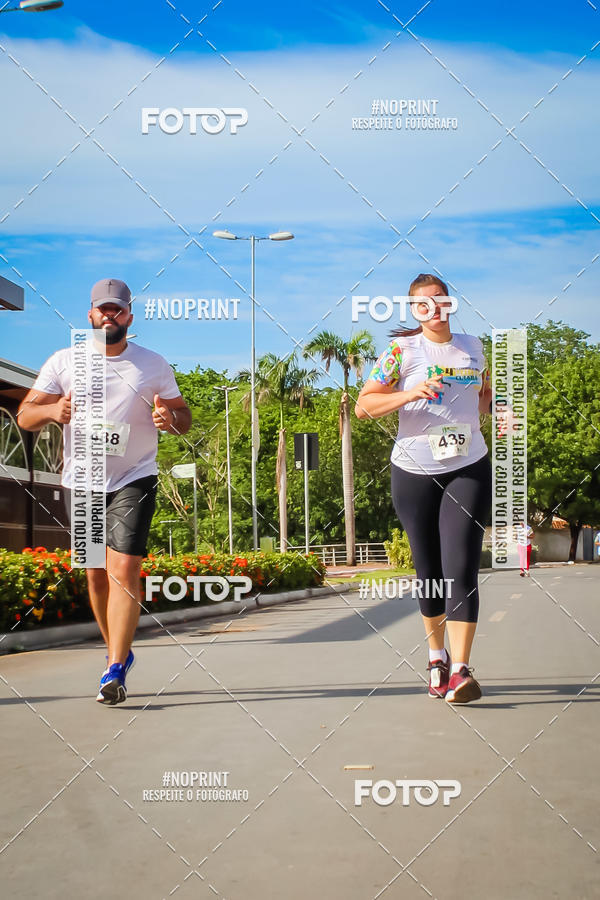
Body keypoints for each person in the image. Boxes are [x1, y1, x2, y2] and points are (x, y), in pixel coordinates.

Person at [18, 278, 191, 705]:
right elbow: (24, 416)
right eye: (102, 310)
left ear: (129, 316)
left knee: (124, 569)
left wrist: (169, 416)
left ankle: (114, 669)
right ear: (90, 315)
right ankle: (120, 649)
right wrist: (52, 410)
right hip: (83, 481)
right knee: (95, 574)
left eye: (117, 310)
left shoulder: (153, 364)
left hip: (135, 476)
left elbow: (184, 417)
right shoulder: (65, 361)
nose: (109, 316)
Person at [356, 273, 492, 704]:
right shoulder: (401, 351)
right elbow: (364, 405)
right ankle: (437, 657)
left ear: (452, 303)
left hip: (468, 465)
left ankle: (462, 671)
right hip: (414, 470)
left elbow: (482, 396)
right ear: (413, 310)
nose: (434, 309)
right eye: (423, 304)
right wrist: (410, 392)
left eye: (441, 301)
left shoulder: (474, 348)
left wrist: (491, 412)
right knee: (429, 570)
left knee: (462, 564)